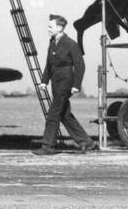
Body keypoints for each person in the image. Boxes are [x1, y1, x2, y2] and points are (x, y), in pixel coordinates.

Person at [34, 15, 97, 155]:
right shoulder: (52, 42)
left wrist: (76, 85)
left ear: (60, 28)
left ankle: (47, 146)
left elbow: (80, 66)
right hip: (56, 82)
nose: (48, 29)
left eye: (50, 27)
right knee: (64, 114)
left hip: (66, 81)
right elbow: (49, 64)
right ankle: (86, 142)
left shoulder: (71, 44)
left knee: (53, 113)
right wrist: (44, 81)